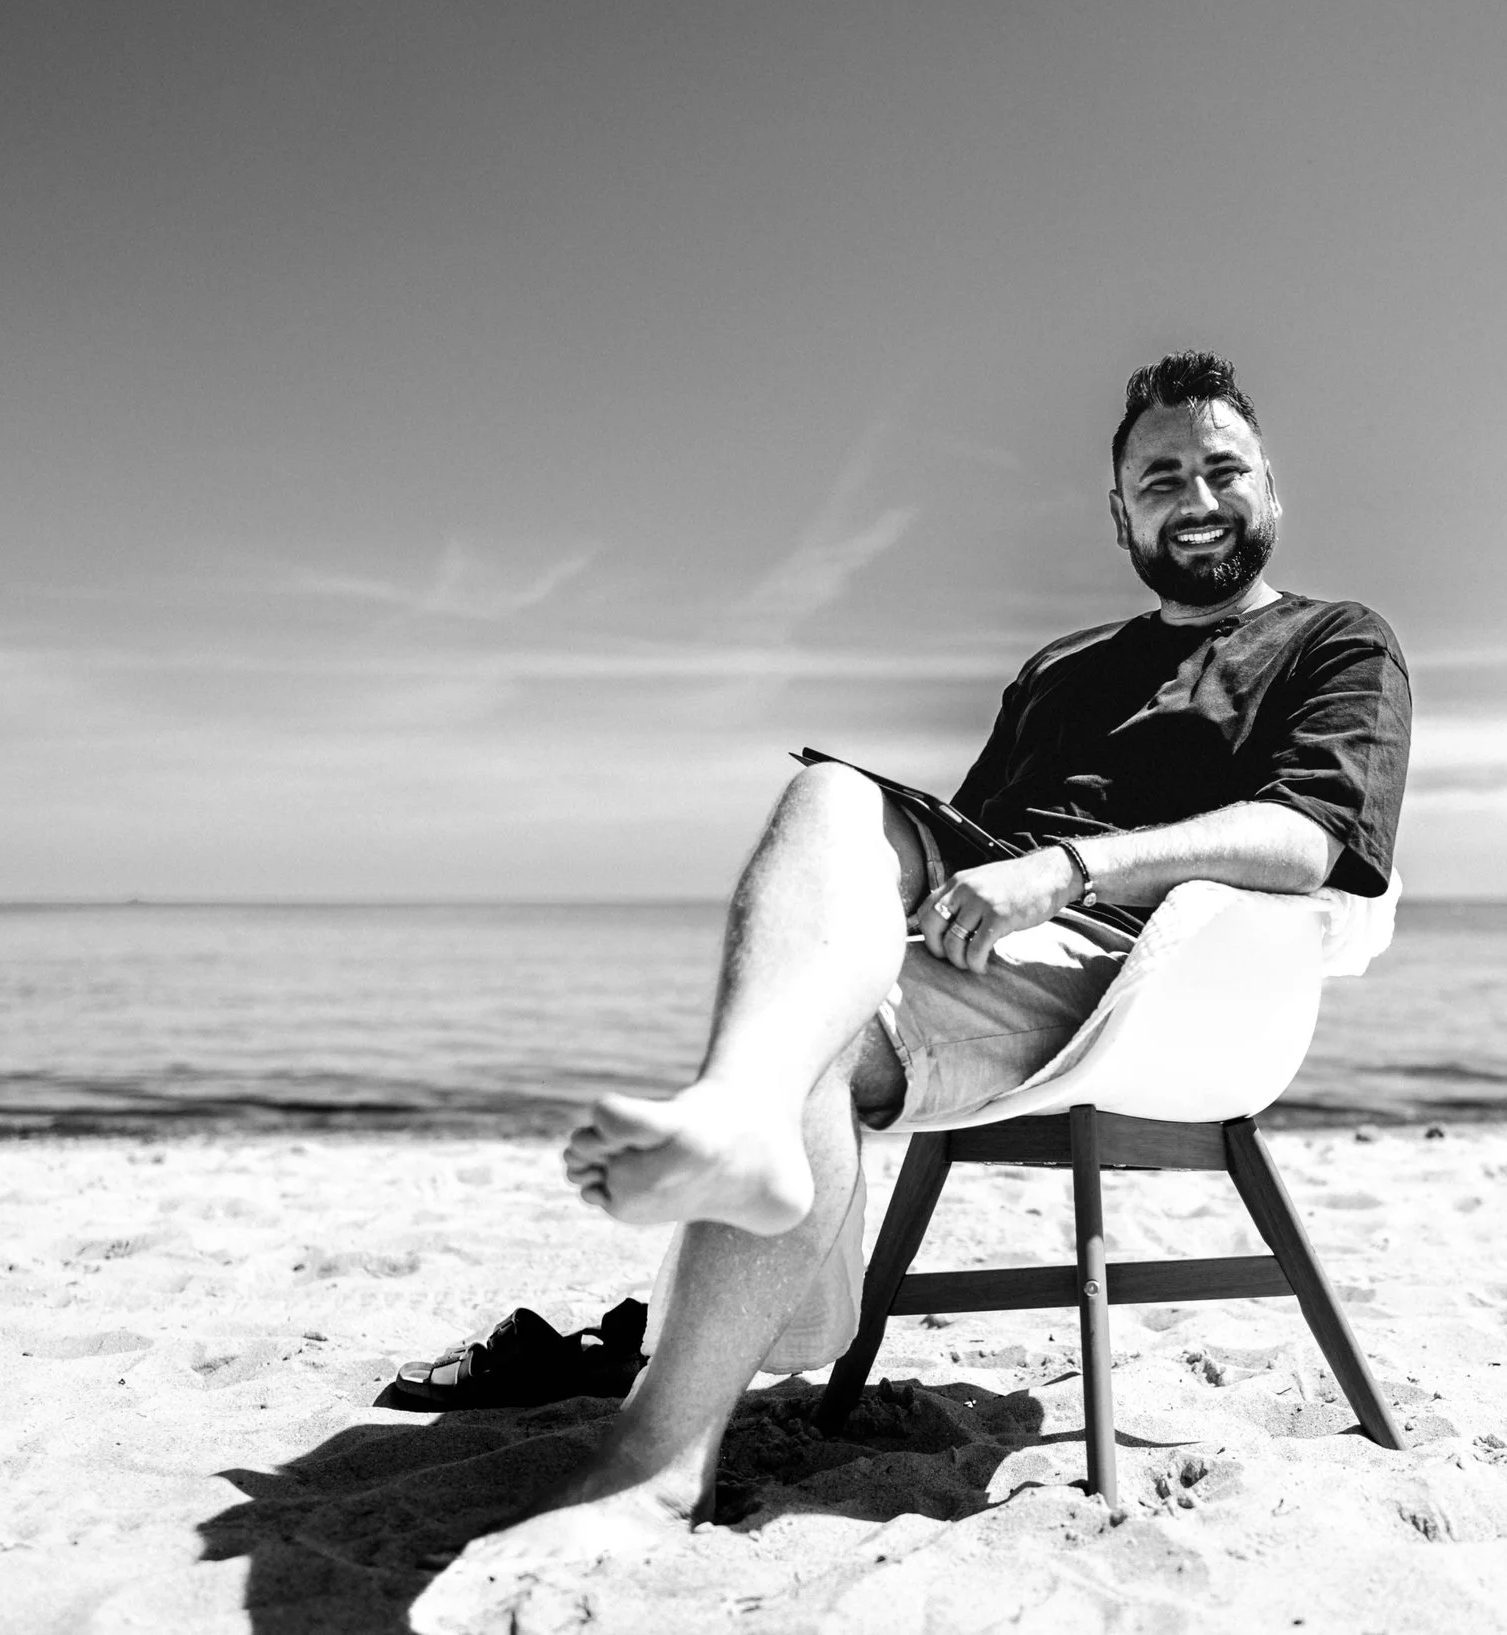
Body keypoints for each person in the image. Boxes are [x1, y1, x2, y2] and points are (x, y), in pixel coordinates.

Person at [417, 350, 1410, 1609]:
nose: (1197, 497)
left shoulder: (1334, 638)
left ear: (1270, 485)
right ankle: (743, 1117)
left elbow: (1309, 837)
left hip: (1148, 963)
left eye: (1222, 469)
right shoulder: (1060, 668)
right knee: (830, 802)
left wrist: (1069, 867)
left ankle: (656, 1459)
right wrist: (892, 908)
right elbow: (960, 845)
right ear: (1120, 513)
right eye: (1162, 478)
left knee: (816, 1031)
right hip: (995, 933)